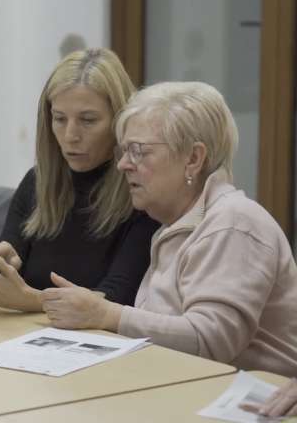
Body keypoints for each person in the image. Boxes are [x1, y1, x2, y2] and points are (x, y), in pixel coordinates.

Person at [39, 81, 297, 378]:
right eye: (124, 151)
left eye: (138, 151)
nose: (123, 165)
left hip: (246, 403)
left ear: (193, 159)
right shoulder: (174, 224)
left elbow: (209, 341)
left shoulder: (233, 223)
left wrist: (106, 314)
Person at [0, 48, 159, 312]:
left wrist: (32, 300)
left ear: (121, 121)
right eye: (59, 119)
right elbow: (12, 276)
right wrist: (6, 263)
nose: (70, 135)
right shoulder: (37, 182)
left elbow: (118, 299)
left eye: (88, 120)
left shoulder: (143, 192)